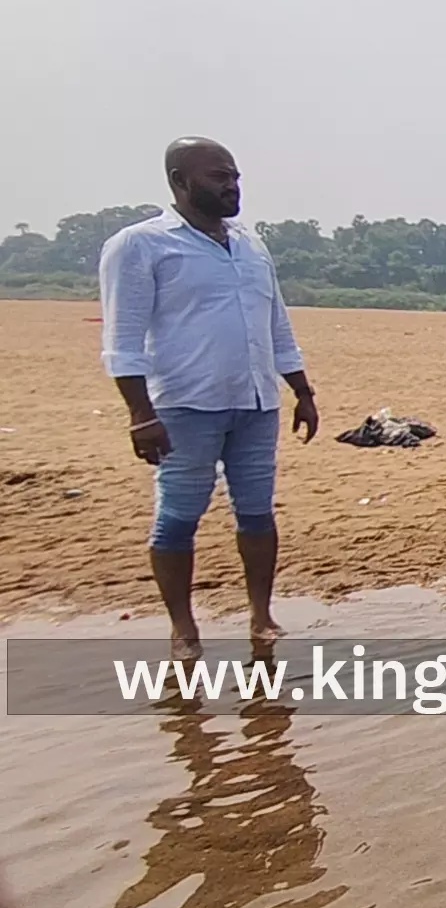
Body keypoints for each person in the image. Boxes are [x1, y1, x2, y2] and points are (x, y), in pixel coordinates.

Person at [99, 137, 319, 661]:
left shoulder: (250, 244)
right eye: (219, 176)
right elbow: (122, 340)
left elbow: (276, 323)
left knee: (258, 513)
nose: (231, 186)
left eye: (235, 176)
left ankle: (261, 616)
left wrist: (302, 391)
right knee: (178, 516)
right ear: (180, 181)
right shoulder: (140, 245)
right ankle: (183, 627)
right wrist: (140, 414)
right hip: (183, 405)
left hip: (256, 401)